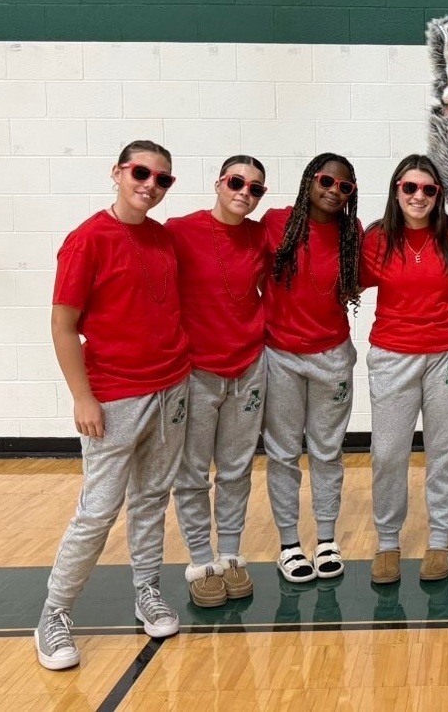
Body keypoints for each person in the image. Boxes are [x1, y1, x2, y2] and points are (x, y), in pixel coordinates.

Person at [36, 140, 189, 670]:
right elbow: (62, 325)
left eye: (163, 178)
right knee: (98, 511)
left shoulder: (163, 238)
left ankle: (147, 589)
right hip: (114, 396)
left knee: (151, 499)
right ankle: (54, 613)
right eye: (141, 172)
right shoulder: (87, 240)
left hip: (172, 388)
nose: (150, 184)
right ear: (118, 173)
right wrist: (83, 396)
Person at [359, 155, 448, 584]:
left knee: (444, 452)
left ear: (439, 195)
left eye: (428, 190)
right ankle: (388, 541)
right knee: (388, 453)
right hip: (393, 355)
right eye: (410, 188)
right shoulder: (377, 239)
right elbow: (339, 282)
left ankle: (439, 540)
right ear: (396, 191)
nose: (419, 196)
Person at [167, 156, 268, 607]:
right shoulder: (178, 230)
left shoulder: (259, 236)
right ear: (218, 183)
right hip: (196, 372)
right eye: (236, 182)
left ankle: (229, 553)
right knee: (192, 471)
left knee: (236, 468)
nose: (244, 192)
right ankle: (201, 559)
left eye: (255, 188)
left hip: (248, 367)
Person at [261, 152, 362, 584]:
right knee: (283, 453)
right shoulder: (275, 222)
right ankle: (289, 545)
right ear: (308, 181)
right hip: (280, 356)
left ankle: (325, 540)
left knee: (326, 451)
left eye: (345, 187)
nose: (333, 190)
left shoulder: (351, 232)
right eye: (326, 180)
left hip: (332, 356)